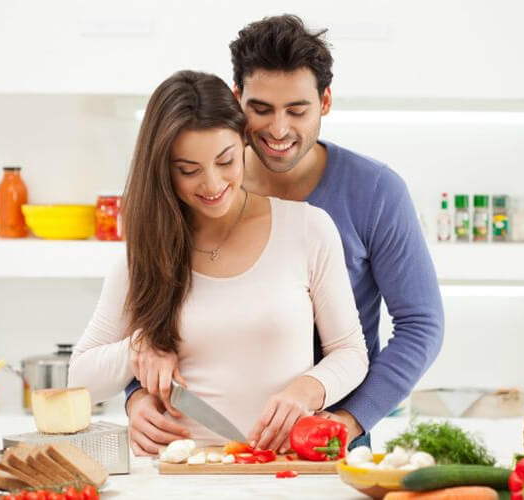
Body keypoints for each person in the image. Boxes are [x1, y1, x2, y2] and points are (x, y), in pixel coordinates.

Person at [124, 14, 445, 455]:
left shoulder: (375, 192)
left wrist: (349, 420)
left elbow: (421, 325)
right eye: (261, 110)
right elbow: (142, 308)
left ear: (326, 101)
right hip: (197, 442)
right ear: (237, 100)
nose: (278, 130)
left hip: (328, 438)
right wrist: (136, 395)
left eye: (297, 110)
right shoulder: (206, 187)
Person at [68, 70, 369, 454]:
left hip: (279, 472)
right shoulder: (148, 250)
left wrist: (308, 391)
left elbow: (350, 352)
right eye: (188, 171)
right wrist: (138, 350)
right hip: (173, 474)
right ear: (163, 170)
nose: (212, 185)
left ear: (243, 140)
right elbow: (79, 379)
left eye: (226, 161)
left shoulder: (308, 228)